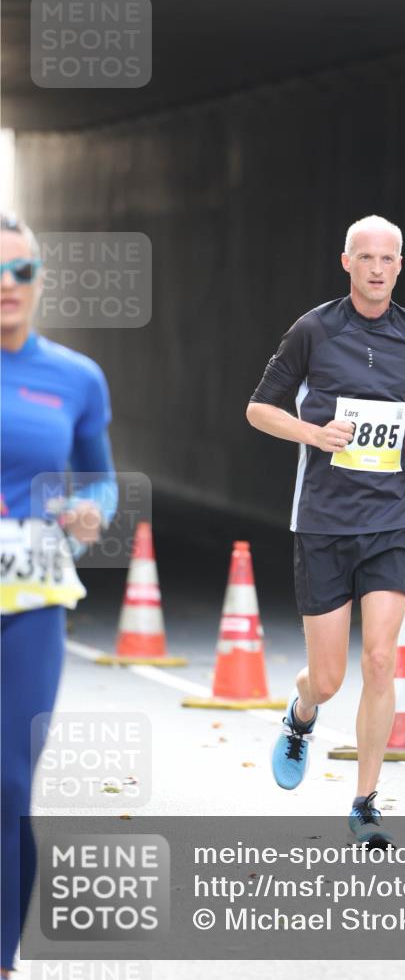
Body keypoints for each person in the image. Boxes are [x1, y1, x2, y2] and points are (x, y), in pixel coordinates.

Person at [246, 214, 405, 845]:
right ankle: (303, 716)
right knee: (328, 678)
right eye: (367, 258)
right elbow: (259, 409)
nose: (378, 268)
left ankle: (365, 803)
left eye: (389, 259)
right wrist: (315, 434)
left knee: (381, 659)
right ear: (347, 262)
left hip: (393, 516)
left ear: (400, 266)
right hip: (325, 521)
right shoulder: (314, 330)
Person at [0, 212, 118, 975]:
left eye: (23, 273)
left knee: (9, 778)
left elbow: (102, 476)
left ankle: (2, 954)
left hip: (29, 600)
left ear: (41, 283)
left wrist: (92, 513)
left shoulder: (75, 376)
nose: (8, 287)